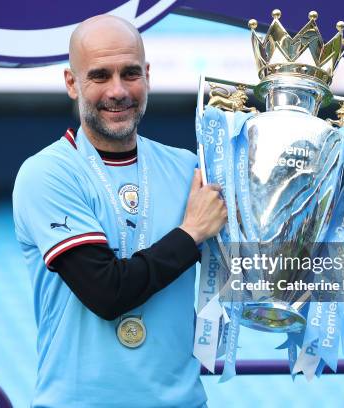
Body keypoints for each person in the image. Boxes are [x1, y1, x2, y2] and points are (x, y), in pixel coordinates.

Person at [12, 15, 227, 408]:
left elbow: (264, 265)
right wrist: (190, 233)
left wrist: (337, 224)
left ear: (147, 76)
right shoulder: (47, 173)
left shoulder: (189, 169)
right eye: (99, 76)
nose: (118, 90)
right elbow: (107, 292)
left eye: (130, 74)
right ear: (71, 82)